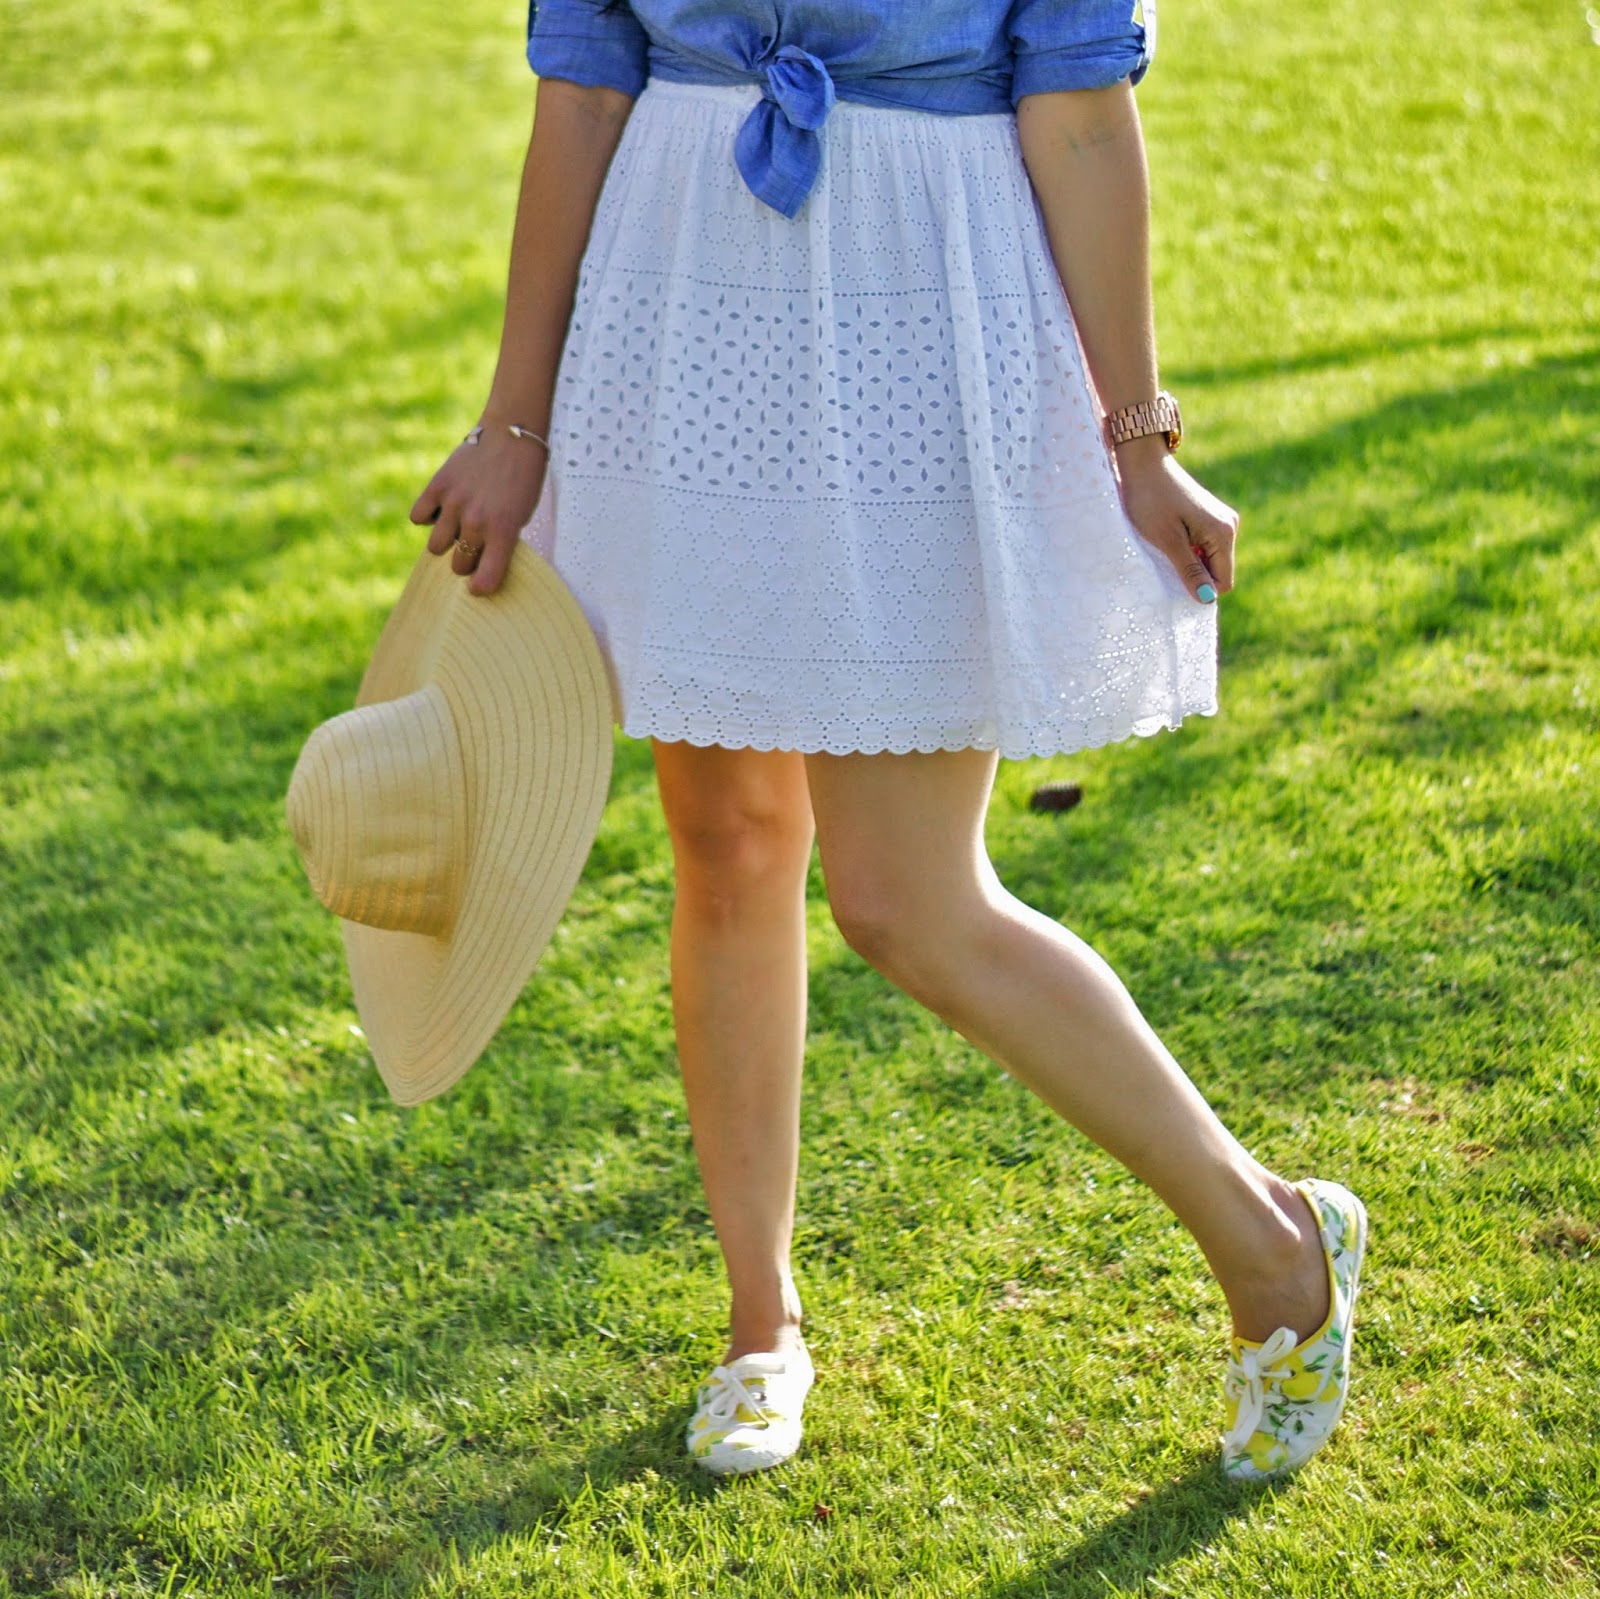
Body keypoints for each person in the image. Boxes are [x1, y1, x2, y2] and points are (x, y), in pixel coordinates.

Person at [406, 0, 1368, 1482]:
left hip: (927, 313)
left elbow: (1080, 115)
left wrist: (1140, 439)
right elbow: (586, 92)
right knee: (724, 845)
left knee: (905, 896)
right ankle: (757, 1323)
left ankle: (1275, 1239)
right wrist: (515, 423)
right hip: (675, 308)